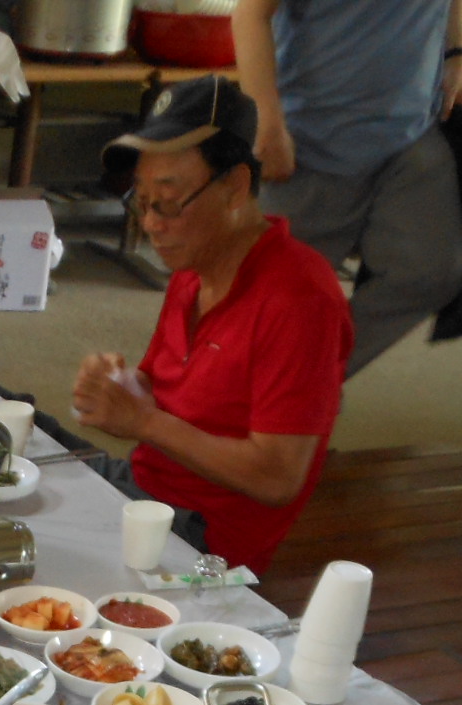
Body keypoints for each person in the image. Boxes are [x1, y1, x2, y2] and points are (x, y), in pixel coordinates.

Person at [71, 75, 352, 576]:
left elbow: (277, 477)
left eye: (168, 202)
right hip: (142, 496)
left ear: (235, 187)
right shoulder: (194, 267)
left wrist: (144, 423)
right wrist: (119, 385)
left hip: (201, 543)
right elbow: (165, 393)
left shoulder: (300, 298)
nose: (151, 224)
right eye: (142, 202)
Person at [232, 0, 462, 375]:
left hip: (411, 133)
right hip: (310, 142)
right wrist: (266, 119)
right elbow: (250, 14)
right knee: (267, 304)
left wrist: (454, 54)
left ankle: (308, 382)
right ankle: (272, 389)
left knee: (432, 270)